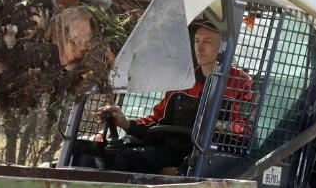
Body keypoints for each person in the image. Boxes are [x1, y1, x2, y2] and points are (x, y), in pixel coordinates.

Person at [95, 19, 253, 174]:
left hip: (211, 157)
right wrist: (125, 123)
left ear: (223, 47)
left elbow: (245, 130)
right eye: (197, 41)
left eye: (207, 41)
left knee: (189, 167)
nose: (200, 47)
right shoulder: (184, 81)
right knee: (125, 158)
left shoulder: (239, 82)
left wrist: (217, 125)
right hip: (172, 151)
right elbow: (158, 120)